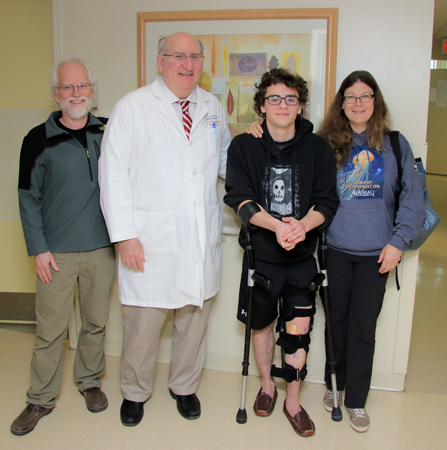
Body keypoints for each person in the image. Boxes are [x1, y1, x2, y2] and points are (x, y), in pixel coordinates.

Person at [98, 32, 231, 426]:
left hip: (198, 237)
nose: (187, 64)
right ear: (161, 62)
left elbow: (225, 160)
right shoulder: (133, 107)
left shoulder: (211, 107)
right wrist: (125, 236)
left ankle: (184, 386)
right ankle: (135, 392)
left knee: (193, 323)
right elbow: (112, 175)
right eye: (178, 56)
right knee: (142, 328)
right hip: (148, 241)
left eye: (194, 57)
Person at [224, 67, 338, 437]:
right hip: (261, 258)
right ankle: (267, 386)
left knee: (297, 331)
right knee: (261, 327)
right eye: (274, 98)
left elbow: (327, 201)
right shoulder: (244, 145)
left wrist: (301, 226)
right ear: (262, 105)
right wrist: (279, 227)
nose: (282, 105)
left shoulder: (318, 148)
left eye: (290, 98)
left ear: (301, 105)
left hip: (303, 260)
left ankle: (292, 400)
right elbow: (238, 199)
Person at [11, 57, 116, 436]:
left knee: (95, 324)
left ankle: (89, 382)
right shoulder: (36, 139)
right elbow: (27, 198)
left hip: (101, 251)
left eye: (82, 86)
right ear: (56, 95)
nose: (76, 94)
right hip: (54, 255)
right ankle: (40, 398)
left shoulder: (108, 131)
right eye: (68, 88)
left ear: (92, 91)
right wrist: (38, 248)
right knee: (50, 331)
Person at [317, 70, 426, 432]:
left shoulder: (395, 144)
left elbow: (413, 199)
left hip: (376, 255)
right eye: (350, 97)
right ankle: (334, 384)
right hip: (333, 249)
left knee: (363, 327)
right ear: (341, 103)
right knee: (336, 324)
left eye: (365, 96)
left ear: (375, 101)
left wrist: (398, 242)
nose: (358, 103)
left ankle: (356, 400)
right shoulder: (324, 142)